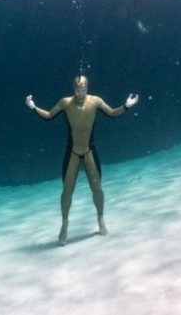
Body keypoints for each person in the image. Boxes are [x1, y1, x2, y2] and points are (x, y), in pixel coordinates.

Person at [26, 76, 138, 246]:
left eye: (83, 88)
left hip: (89, 151)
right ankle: (64, 224)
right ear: (73, 88)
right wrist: (33, 107)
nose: (80, 92)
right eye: (78, 89)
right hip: (72, 153)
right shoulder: (65, 102)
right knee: (67, 191)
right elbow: (49, 116)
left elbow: (112, 114)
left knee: (97, 189)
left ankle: (100, 218)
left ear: (87, 87)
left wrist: (126, 106)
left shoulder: (95, 101)